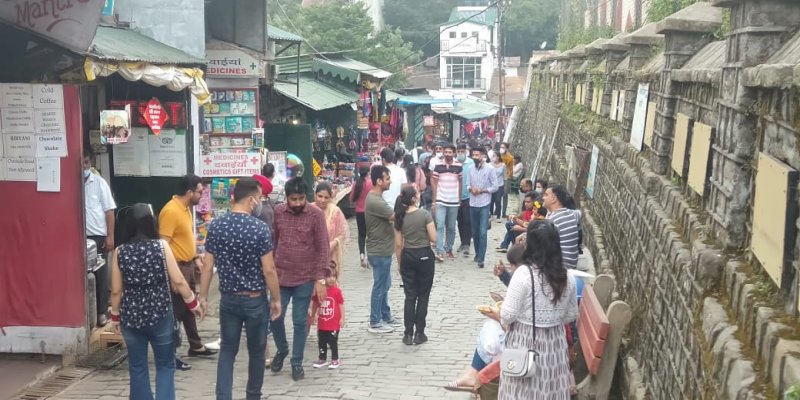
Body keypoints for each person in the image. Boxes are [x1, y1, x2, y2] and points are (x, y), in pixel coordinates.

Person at [198, 178, 281, 400]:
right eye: (259, 198)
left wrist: (203, 297)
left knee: (227, 350)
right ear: (251, 199)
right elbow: (269, 270)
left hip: (228, 299)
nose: (260, 202)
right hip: (255, 300)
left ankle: (223, 396)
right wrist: (276, 299)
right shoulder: (259, 229)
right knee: (256, 351)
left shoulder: (216, 226)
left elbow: (207, 267)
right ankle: (253, 395)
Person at [110, 204, 203, 400]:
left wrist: (115, 317)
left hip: (131, 317)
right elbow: (179, 280)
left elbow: (116, 290)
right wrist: (193, 304)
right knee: (165, 365)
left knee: (137, 367)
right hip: (160, 314)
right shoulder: (161, 247)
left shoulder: (120, 251)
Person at [495, 220, 578, 399]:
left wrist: (499, 313)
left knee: (521, 392)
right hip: (555, 346)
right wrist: (551, 317)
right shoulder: (567, 276)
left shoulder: (523, 274)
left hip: (526, 342)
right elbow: (571, 314)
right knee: (551, 391)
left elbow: (507, 315)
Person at [269, 177, 330, 381]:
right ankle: (282, 349)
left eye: (301, 199)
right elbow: (274, 241)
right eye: (293, 199)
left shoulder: (316, 215)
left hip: (305, 276)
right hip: (280, 275)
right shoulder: (278, 212)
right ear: (286, 198)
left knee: (299, 320)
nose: (297, 203)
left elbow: (323, 247)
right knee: (275, 316)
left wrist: (320, 279)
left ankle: (296, 361)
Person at [444, 244, 526, 393]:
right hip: (524, 336)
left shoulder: (529, 280)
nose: (512, 269)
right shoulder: (531, 278)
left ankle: (474, 375)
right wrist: (504, 275)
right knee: (491, 327)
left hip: (524, 343)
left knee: (491, 329)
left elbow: (511, 322)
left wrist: (497, 315)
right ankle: (473, 374)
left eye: (513, 266)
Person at [158, 174, 216, 372]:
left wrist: (195, 258)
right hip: (177, 267)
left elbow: (184, 239)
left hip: (188, 265)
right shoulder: (170, 211)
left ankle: (195, 345)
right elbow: (164, 245)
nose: (201, 195)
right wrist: (172, 275)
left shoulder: (185, 209)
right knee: (175, 312)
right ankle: (169, 354)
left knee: (189, 308)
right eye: (199, 191)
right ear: (189, 192)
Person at [393, 186, 437, 345]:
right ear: (413, 198)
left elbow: (398, 244)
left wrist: (400, 263)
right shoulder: (424, 215)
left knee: (410, 296)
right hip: (424, 255)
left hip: (408, 256)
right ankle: (420, 333)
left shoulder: (399, 216)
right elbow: (434, 238)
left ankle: (407, 334)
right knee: (423, 296)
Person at [365, 166, 402, 333]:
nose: (390, 182)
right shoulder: (375, 200)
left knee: (385, 284)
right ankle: (375, 321)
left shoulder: (377, 198)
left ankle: (385, 315)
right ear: (379, 181)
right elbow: (395, 216)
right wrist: (406, 203)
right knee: (380, 286)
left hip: (383, 249)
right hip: (378, 250)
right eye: (387, 179)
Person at [83, 153, 116, 327]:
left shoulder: (99, 183)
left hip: (97, 237)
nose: (83, 166)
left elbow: (109, 211)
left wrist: (110, 236)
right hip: (77, 237)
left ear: (90, 163)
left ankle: (101, 312)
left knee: (100, 275)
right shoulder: (70, 183)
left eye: (86, 162)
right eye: (80, 162)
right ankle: (84, 314)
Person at [468, 147, 500, 268]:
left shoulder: (490, 169)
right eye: (473, 155)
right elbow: (467, 185)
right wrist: (471, 189)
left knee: (482, 232)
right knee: (474, 231)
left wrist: (483, 190)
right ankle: (477, 253)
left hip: (484, 203)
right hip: (472, 203)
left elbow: (495, 186)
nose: (475, 157)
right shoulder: (470, 169)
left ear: (482, 156)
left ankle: (481, 258)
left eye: (477, 155)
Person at [431, 143, 463, 262]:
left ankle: (449, 248)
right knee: (439, 225)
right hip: (441, 199)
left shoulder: (458, 166)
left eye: (450, 152)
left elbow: (460, 182)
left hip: (453, 200)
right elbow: (434, 183)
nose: (447, 154)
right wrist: (434, 200)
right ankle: (439, 250)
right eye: (446, 152)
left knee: (451, 227)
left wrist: (459, 198)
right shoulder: (438, 165)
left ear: (454, 153)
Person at [310, 266, 345, 369]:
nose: (331, 279)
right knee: (321, 341)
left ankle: (335, 359)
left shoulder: (337, 291)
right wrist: (314, 314)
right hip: (322, 323)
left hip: (333, 323)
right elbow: (316, 303)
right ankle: (322, 358)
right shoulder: (320, 291)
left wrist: (342, 318)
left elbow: (341, 305)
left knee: (333, 342)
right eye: (329, 276)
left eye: (334, 276)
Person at [313, 183, 349, 277]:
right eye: (320, 196)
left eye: (326, 197)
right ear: (315, 195)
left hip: (330, 255)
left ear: (330, 198)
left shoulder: (335, 211)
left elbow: (343, 233)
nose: (322, 200)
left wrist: (334, 243)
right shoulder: (309, 210)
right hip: (311, 256)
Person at [542, 185, 581, 269]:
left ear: (554, 199)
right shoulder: (571, 214)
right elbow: (579, 213)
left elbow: (542, 246)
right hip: (571, 264)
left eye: (546, 195)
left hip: (559, 268)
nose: (543, 198)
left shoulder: (554, 220)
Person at [350, 166, 372, 269]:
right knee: (370, 235)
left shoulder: (356, 183)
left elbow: (352, 198)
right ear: (368, 172)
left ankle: (362, 254)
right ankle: (370, 257)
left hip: (359, 212)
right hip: (369, 212)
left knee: (361, 235)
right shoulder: (370, 183)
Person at [456, 143, 474, 256]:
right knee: (460, 220)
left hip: (468, 195)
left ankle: (467, 243)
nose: (460, 153)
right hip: (456, 196)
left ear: (466, 151)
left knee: (467, 220)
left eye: (462, 151)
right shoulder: (454, 163)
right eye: (458, 151)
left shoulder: (471, 163)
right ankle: (462, 242)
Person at [499, 142, 515, 218]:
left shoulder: (510, 157)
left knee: (505, 195)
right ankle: (497, 211)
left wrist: (509, 178)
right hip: (499, 177)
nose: (501, 149)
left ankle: (504, 213)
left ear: (507, 148)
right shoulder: (499, 156)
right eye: (501, 147)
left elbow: (511, 169)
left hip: (506, 178)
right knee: (497, 195)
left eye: (503, 147)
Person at [489, 153, 506, 222]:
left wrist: (505, 185)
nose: (493, 157)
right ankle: (491, 215)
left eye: (494, 156)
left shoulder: (503, 165)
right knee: (491, 200)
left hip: (500, 185)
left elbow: (504, 176)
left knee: (498, 200)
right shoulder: (490, 165)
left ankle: (498, 216)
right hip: (491, 185)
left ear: (498, 157)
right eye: (492, 156)